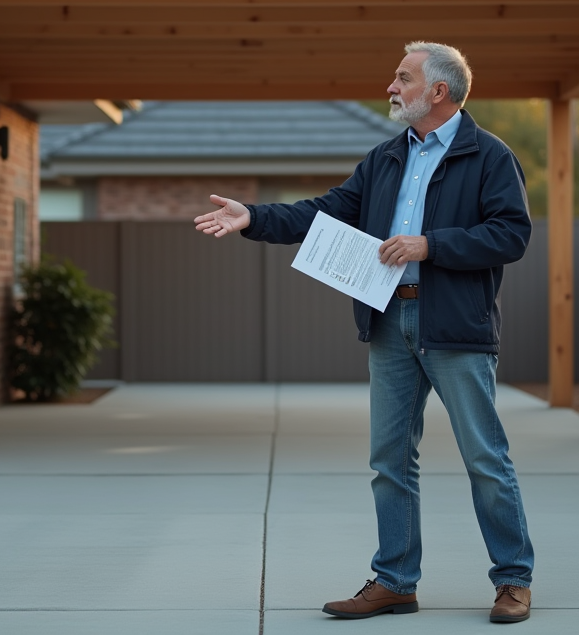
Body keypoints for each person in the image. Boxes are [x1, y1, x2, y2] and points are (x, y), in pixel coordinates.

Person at [193, 41, 535, 624]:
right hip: (389, 320)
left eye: (403, 78)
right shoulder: (386, 157)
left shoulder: (490, 156)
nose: (391, 87)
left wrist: (431, 245)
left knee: (484, 457)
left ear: (439, 91)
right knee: (389, 460)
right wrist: (254, 217)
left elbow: (511, 234)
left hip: (455, 327)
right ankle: (396, 581)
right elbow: (326, 211)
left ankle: (513, 580)